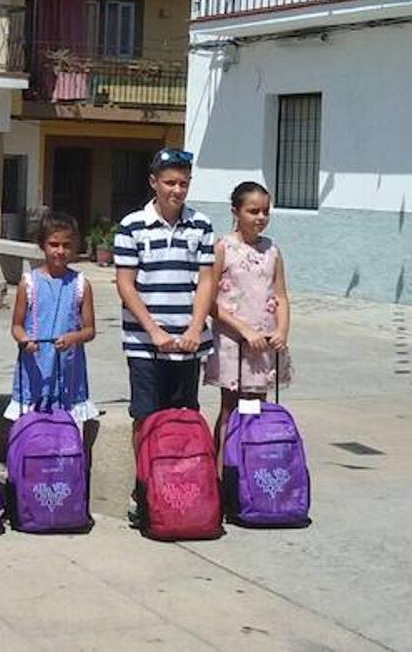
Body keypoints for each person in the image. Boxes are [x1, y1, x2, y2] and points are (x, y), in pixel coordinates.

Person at [113, 147, 217, 526]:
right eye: (170, 182)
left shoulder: (202, 225)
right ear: (153, 182)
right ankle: (144, 491)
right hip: (145, 345)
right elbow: (125, 284)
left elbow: (206, 280)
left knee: (185, 416)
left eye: (183, 183)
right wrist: (153, 331)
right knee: (145, 417)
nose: (177, 190)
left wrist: (194, 328)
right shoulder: (131, 226)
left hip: (188, 346)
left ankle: (185, 488)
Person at [206, 181, 291, 460]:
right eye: (253, 211)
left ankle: (252, 465)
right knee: (231, 407)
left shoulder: (272, 251)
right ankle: (223, 470)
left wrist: (281, 329)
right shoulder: (223, 248)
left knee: (256, 406)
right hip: (233, 342)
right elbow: (208, 301)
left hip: (263, 343)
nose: (261, 218)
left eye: (266, 211)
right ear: (236, 211)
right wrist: (242, 328)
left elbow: (280, 295)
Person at [7, 212, 98, 423]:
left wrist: (73, 338)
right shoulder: (28, 283)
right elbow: (17, 326)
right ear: (42, 245)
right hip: (35, 365)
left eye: (66, 245)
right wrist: (24, 340)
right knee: (33, 423)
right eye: (54, 244)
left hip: (68, 367)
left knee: (66, 422)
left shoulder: (81, 284)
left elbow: (90, 329)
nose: (60, 251)